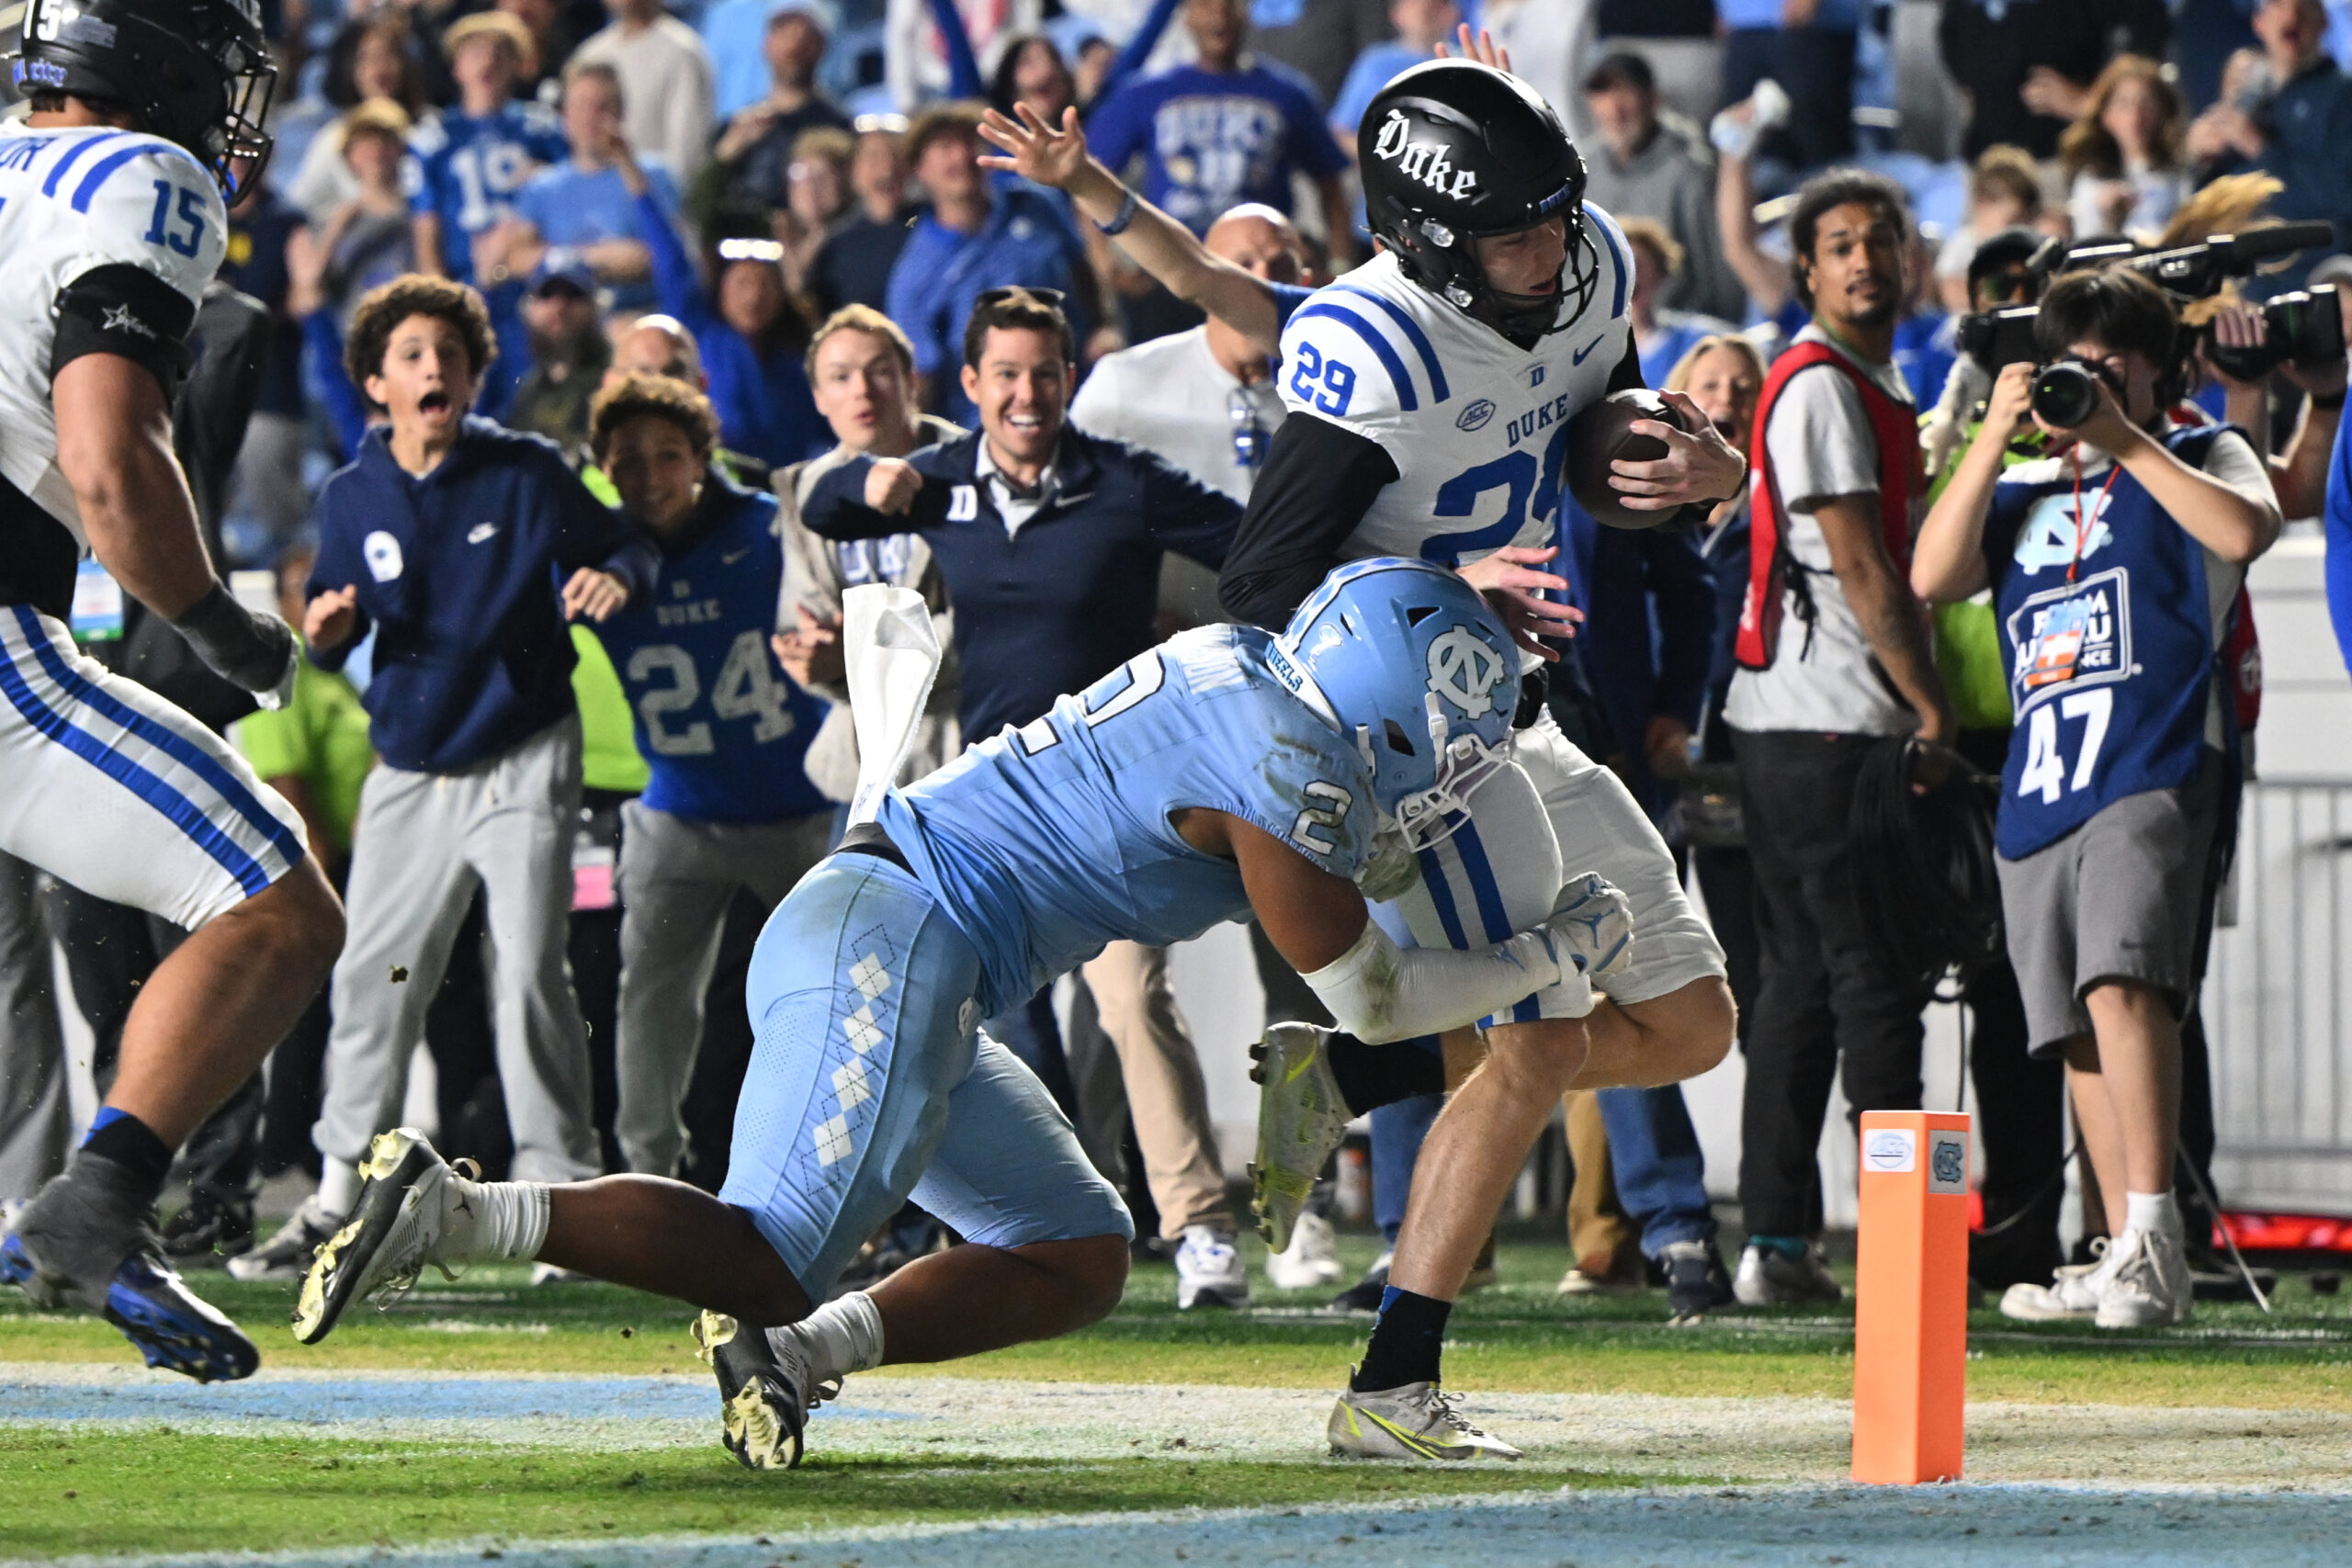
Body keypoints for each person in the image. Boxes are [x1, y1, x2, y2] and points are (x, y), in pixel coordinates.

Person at [290, 558, 1634, 1475]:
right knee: (765, 1252)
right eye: (1445, 743)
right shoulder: (1291, 767)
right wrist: (1553, 950)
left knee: (1076, 1250)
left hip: (909, 945)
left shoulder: (1245, 666)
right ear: (1382, 711)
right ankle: (455, 1211)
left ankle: (799, 1353)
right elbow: (1377, 1000)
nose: (1449, 774)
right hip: (897, 943)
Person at [1210, 59, 1744, 1456]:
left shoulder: (1587, 262)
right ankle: (1391, 1385)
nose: (1551, 248)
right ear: (1430, 241)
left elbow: (1591, 436)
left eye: (1557, 213)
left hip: (1518, 710)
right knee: (1541, 1042)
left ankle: (1352, 1078)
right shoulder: (1371, 345)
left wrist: (1695, 473)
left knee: (1693, 1024)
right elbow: (1259, 588)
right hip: (1411, 746)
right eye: (1513, 231)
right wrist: (1442, 598)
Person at [0, 0, 346, 1382]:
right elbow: (110, 458)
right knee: (277, 902)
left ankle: (100, 1217)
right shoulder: (141, 173)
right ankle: (99, 1203)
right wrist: (217, 624)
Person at [238, 276, 655, 1280]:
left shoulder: (526, 470)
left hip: (523, 753)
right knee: (376, 977)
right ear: (375, 384)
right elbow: (331, 630)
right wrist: (328, 633)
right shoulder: (351, 496)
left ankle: (561, 1202)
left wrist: (616, 574)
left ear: (471, 375)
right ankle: (338, 1197)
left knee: (529, 969)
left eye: (451, 353)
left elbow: (628, 543)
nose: (435, 367)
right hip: (411, 767)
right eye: (413, 354)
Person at [1913, 266, 2282, 1328]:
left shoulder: (2199, 451)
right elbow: (1932, 576)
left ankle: (2156, 1238)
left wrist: (2122, 438)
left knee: (2125, 984)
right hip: (2042, 778)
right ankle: (2121, 1246)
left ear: (2161, 371)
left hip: (2153, 759)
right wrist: (1994, 433)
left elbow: (2243, 533)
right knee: (2070, 1023)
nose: (2090, 377)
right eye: (2073, 361)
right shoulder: (2025, 484)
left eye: (2114, 361)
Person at [1724, 169, 1952, 1305]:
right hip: (1833, 722)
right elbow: (1863, 569)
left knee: (1802, 981)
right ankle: (1898, 1248)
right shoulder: (1821, 383)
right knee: (1874, 979)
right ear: (1806, 270)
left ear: (1908, 257)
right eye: (1841, 245)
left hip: (1788, 722)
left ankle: (1776, 1242)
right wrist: (1929, 704)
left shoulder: (1866, 378)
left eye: (1879, 240)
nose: (1864, 260)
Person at [583, 376, 834, 1179]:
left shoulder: (769, 529)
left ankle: (848, 1176)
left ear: (702, 459)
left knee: (838, 994)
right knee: (649, 1000)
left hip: (799, 811)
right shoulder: (595, 550)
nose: (649, 476)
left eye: (668, 456)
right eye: (628, 460)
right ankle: (646, 1177)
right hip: (677, 809)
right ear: (603, 468)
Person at [775, 307, 965, 812]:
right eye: (840, 377)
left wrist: (855, 658)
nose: (861, 391)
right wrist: (812, 657)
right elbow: (802, 625)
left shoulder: (971, 468)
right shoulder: (801, 488)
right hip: (862, 766)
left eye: (879, 371)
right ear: (819, 397)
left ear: (911, 381)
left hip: (966, 749)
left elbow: (986, 628)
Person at [1085, 0, 1353, 264]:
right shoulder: (1145, 94)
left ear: (1246, 12)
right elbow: (1089, 177)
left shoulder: (1288, 94)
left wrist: (1340, 265)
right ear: (1187, 17)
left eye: (1229, 6)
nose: (1218, 16)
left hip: (1261, 268)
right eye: (1205, 6)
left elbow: (1331, 186)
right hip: (1174, 268)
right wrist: (1104, 266)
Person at [625, 138, 830, 466]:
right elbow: (670, 259)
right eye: (743, 283)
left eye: (765, 284)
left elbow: (823, 434)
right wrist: (635, 180)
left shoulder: (796, 361)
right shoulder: (701, 334)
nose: (754, 296)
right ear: (721, 289)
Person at [884, 103, 1092, 426]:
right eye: (945, 147)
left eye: (969, 141)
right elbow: (923, 379)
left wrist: (1105, 328)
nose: (962, 156)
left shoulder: (1036, 204)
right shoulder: (913, 275)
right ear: (919, 169)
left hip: (1081, 405)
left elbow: (1081, 269)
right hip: (995, 428)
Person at [2186, 0, 2352, 295]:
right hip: (2248, 284)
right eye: (2277, 5)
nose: (2291, 17)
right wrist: (2198, 159)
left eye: (2304, 7)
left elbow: (2341, 198)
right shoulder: (2248, 99)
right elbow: (2208, 205)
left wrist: (2260, 149)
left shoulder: (2342, 96)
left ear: (2324, 22)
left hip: (2318, 282)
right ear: (2258, 22)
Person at [1578, 51, 1743, 326]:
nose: (1614, 110)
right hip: (1602, 331)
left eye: (1624, 93)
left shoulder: (1689, 171)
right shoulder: (1584, 171)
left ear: (1652, 99)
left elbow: (1720, 281)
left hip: (1677, 330)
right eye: (1602, 94)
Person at [505, 61, 683, 315]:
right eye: (580, 106)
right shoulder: (542, 187)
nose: (589, 118)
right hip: (569, 319)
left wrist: (558, 262)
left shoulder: (652, 175)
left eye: (601, 108)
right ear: (564, 115)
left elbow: (662, 256)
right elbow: (517, 260)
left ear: (620, 113)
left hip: (639, 313)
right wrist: (598, 258)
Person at [409, 13, 567, 287]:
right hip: (465, 279)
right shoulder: (433, 139)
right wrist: (438, 293)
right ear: (456, 68)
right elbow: (425, 226)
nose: (488, 62)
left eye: (501, 53)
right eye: (475, 53)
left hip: (539, 279)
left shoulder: (544, 129)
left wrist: (550, 179)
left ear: (518, 65)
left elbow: (576, 196)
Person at [1939, 0, 2172, 163]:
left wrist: (2089, 103)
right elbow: (1950, 35)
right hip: (1985, 161)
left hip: (2063, 161)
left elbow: (2147, 32)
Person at [701, 1, 854, 226]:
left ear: (822, 47)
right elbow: (700, 210)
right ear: (766, 44)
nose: (793, 46)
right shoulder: (736, 130)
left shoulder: (840, 129)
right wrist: (726, 155)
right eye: (784, 34)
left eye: (804, 37)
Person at [571, 0, 719, 186]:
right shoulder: (591, 53)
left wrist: (663, 195)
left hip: (656, 192)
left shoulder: (682, 52)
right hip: (596, 194)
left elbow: (688, 151)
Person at [2060, 56, 2192, 243]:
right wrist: (2110, 221)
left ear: (2163, 111)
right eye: (2124, 104)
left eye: (2147, 105)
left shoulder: (2181, 172)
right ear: (2106, 115)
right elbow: (2087, 247)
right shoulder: (2091, 180)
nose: (2136, 116)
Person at [807, 118, 916, 317]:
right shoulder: (836, 247)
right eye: (874, 158)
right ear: (854, 171)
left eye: (895, 156)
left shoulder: (931, 226)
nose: (887, 169)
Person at [1621, 218, 1736, 389]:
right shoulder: (1595, 351)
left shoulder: (1701, 339)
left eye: (1638, 264)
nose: (1631, 276)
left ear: (1660, 271)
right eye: (1621, 267)